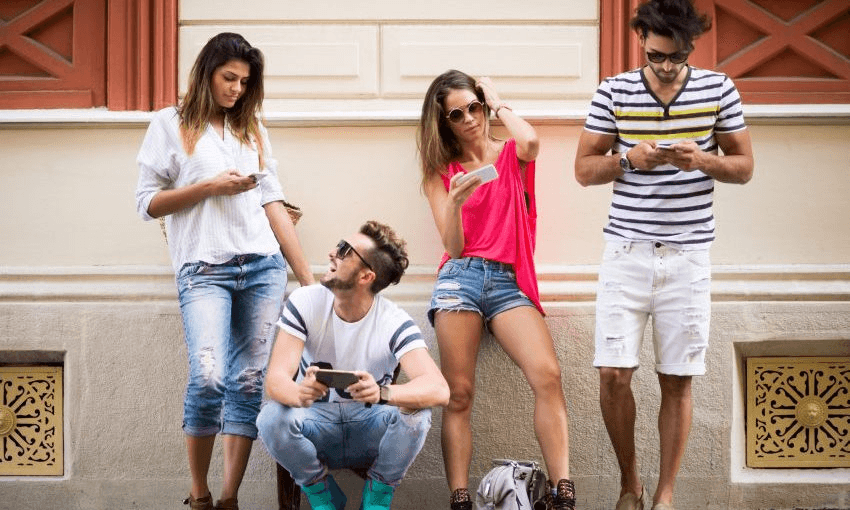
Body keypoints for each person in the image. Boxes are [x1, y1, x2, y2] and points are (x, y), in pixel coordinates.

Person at [573, 1, 754, 509]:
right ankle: (629, 484)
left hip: (688, 255)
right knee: (612, 372)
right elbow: (584, 170)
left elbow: (744, 167)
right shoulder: (614, 91)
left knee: (677, 377)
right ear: (641, 41)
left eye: (676, 57)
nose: (667, 67)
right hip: (626, 252)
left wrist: (702, 159)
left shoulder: (719, 89)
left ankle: (664, 496)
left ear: (689, 47)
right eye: (656, 56)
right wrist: (627, 160)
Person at [135, 32, 314, 510]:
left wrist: (309, 281)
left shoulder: (250, 127)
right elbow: (146, 203)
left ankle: (229, 498)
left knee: (248, 382)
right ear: (206, 73)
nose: (236, 89)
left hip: (261, 266)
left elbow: (272, 202)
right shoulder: (169, 124)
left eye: (244, 81)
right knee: (209, 376)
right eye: (228, 78)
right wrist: (211, 186)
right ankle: (199, 494)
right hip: (202, 269)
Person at [417, 70, 575, 510]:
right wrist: (455, 202)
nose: (469, 118)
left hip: (508, 281)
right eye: (457, 113)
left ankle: (564, 492)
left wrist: (498, 99)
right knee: (459, 391)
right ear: (444, 122)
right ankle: (460, 497)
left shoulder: (510, 154)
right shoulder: (439, 171)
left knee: (548, 375)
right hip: (460, 279)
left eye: (474, 107)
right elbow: (453, 246)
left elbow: (531, 143)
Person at [257, 221, 450, 510]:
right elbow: (275, 380)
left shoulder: (393, 320)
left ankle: (377, 496)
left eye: (345, 251)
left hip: (369, 429)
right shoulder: (305, 302)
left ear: (365, 276)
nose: (333, 253)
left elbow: (439, 389)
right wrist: (299, 393)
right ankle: (323, 496)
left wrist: (383, 393)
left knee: (417, 415)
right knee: (270, 418)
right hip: (315, 424)